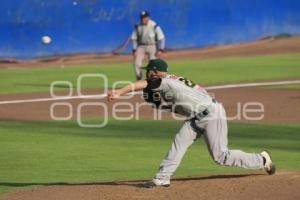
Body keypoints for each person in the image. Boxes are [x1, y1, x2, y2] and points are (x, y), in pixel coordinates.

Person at [107, 58, 276, 188]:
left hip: (211, 114)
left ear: (155, 72)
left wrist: (119, 92)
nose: (147, 73)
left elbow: (142, 84)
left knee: (221, 156)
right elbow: (179, 107)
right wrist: (163, 106)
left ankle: (261, 159)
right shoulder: (172, 82)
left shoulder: (164, 81)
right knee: (179, 143)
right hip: (196, 117)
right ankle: (162, 178)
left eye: (149, 71)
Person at [131, 11, 165, 80]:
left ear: (148, 17)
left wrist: (161, 49)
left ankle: (154, 80)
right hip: (141, 46)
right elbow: (134, 38)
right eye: (142, 17)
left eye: (145, 17)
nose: (143, 19)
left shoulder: (154, 25)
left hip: (152, 46)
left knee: (153, 64)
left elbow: (162, 38)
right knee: (137, 63)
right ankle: (139, 78)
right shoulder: (137, 26)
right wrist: (134, 50)